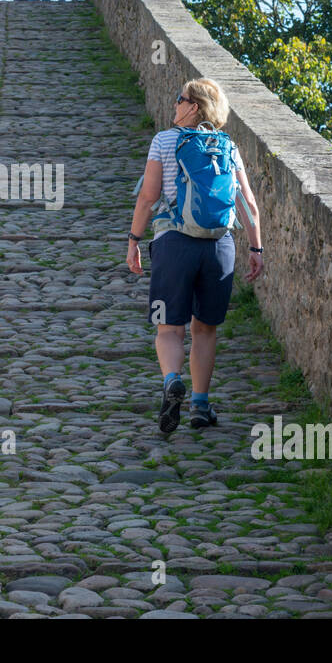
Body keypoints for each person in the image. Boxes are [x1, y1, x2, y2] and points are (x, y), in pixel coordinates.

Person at [126, 78, 264, 432]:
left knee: (169, 327)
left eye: (180, 99)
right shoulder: (228, 146)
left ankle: (172, 380)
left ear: (194, 107)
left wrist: (134, 240)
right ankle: (201, 406)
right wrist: (255, 247)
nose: (174, 104)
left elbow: (148, 197)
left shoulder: (164, 141)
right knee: (205, 329)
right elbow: (247, 203)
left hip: (174, 244)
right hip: (219, 248)